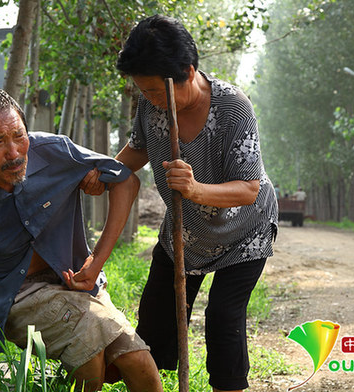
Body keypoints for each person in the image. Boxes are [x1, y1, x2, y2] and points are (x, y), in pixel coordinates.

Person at [81, 15, 278, 392]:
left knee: (223, 318)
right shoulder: (149, 106)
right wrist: (103, 172)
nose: (152, 100)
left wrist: (195, 189)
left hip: (244, 232)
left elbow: (249, 188)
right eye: (144, 91)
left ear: (188, 71)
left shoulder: (233, 108)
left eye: (156, 91)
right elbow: (137, 151)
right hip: (184, 233)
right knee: (156, 320)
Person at [0, 87, 163, 392]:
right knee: (88, 353)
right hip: (15, 298)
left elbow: (125, 181)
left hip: (74, 282)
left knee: (137, 359)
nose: (14, 152)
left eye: (19, 136)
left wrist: (96, 261)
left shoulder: (54, 151)